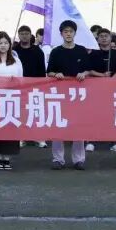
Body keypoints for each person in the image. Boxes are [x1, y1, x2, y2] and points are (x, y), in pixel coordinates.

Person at [46, 20, 90, 170]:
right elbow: (49, 72)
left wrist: (83, 74)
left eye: (71, 31)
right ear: (61, 34)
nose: (68, 34)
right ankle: (58, 159)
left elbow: (88, 70)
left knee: (78, 126)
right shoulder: (56, 52)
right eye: (65, 31)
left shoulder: (81, 50)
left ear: (75, 33)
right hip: (59, 94)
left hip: (78, 94)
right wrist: (56, 74)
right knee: (59, 125)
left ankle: (79, 159)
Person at [0, 32, 24, 170]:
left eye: (6, 43)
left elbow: (21, 79)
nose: (3, 45)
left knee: (10, 127)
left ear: (9, 45)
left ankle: (7, 158)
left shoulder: (16, 61)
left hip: (11, 98)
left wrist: (14, 80)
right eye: (0, 43)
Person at [88, 27, 116, 153]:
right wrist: (102, 76)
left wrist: (112, 79)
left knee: (113, 115)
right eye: (101, 36)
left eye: (106, 36)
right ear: (97, 39)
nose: (103, 38)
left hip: (113, 88)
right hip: (96, 89)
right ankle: (91, 140)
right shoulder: (93, 53)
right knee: (94, 115)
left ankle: (114, 141)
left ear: (110, 38)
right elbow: (89, 70)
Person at [15, 25, 49, 149]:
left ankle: (38, 137)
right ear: (18, 35)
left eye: (26, 34)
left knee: (36, 111)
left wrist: (41, 85)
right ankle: (21, 137)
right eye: (22, 34)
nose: (24, 36)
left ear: (30, 35)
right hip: (18, 86)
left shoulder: (37, 51)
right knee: (20, 112)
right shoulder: (14, 50)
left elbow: (42, 69)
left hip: (35, 86)